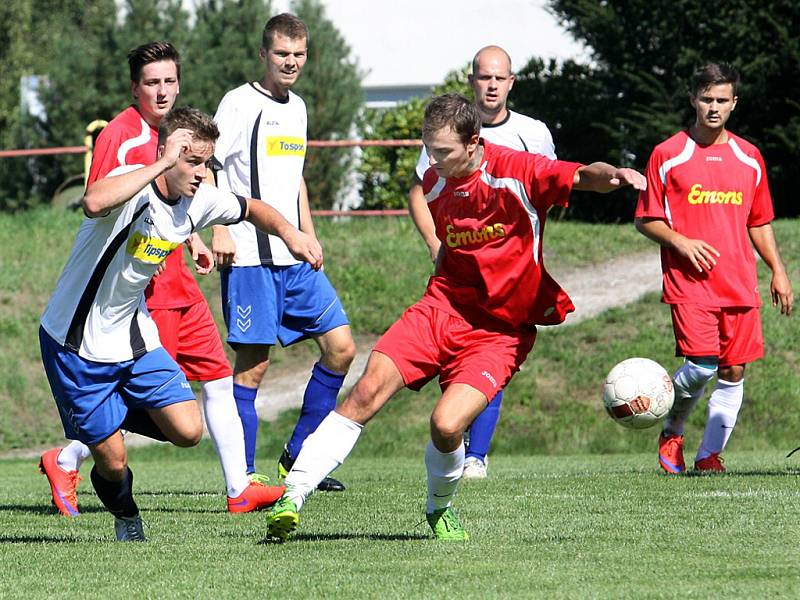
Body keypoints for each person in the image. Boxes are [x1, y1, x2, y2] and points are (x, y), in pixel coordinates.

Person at [265, 93, 646, 541]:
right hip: (442, 308)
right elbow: (442, 230)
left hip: (501, 330)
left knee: (446, 426)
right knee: (366, 390)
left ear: (473, 142)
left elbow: (582, 175)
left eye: (443, 151)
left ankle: (438, 509)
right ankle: (292, 495)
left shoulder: (517, 171)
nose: (433, 160)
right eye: (429, 148)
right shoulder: (434, 181)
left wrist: (616, 176)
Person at [40, 106, 322, 541]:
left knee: (189, 430)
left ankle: (107, 417)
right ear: (167, 154)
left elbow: (253, 208)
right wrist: (161, 161)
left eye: (205, 162)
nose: (200, 172)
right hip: (75, 344)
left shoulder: (198, 200)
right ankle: (127, 516)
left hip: (134, 338)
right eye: (191, 161)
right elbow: (92, 201)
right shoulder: (133, 189)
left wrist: (290, 233)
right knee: (113, 464)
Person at [210, 13, 354, 492]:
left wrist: (308, 233)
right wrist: (219, 229)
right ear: (263, 55)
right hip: (250, 255)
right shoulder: (238, 103)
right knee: (253, 368)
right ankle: (244, 479)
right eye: (281, 53)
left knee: (341, 348)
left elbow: (296, 179)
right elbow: (207, 165)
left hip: (294, 257)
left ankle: (298, 458)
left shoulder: (299, 108)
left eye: (298, 54)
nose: (290, 62)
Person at [635, 63, 793, 474]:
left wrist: (777, 269)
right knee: (702, 364)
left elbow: (759, 221)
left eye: (722, 100)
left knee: (733, 369)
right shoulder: (668, 154)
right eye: (707, 99)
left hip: (739, 282)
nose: (714, 107)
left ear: (734, 103)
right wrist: (680, 242)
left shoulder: (749, 157)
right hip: (690, 284)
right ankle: (672, 431)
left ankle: (709, 456)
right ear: (693, 99)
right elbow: (646, 218)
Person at [408, 45, 556, 480]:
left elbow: (545, 189)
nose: (491, 85)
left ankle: (477, 455)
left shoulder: (533, 133)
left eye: (499, 77)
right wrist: (436, 244)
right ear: (472, 81)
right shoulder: (448, 130)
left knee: (494, 351)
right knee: (455, 355)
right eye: (483, 77)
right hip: (457, 269)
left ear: (511, 83)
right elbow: (421, 190)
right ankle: (457, 447)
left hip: (509, 274)